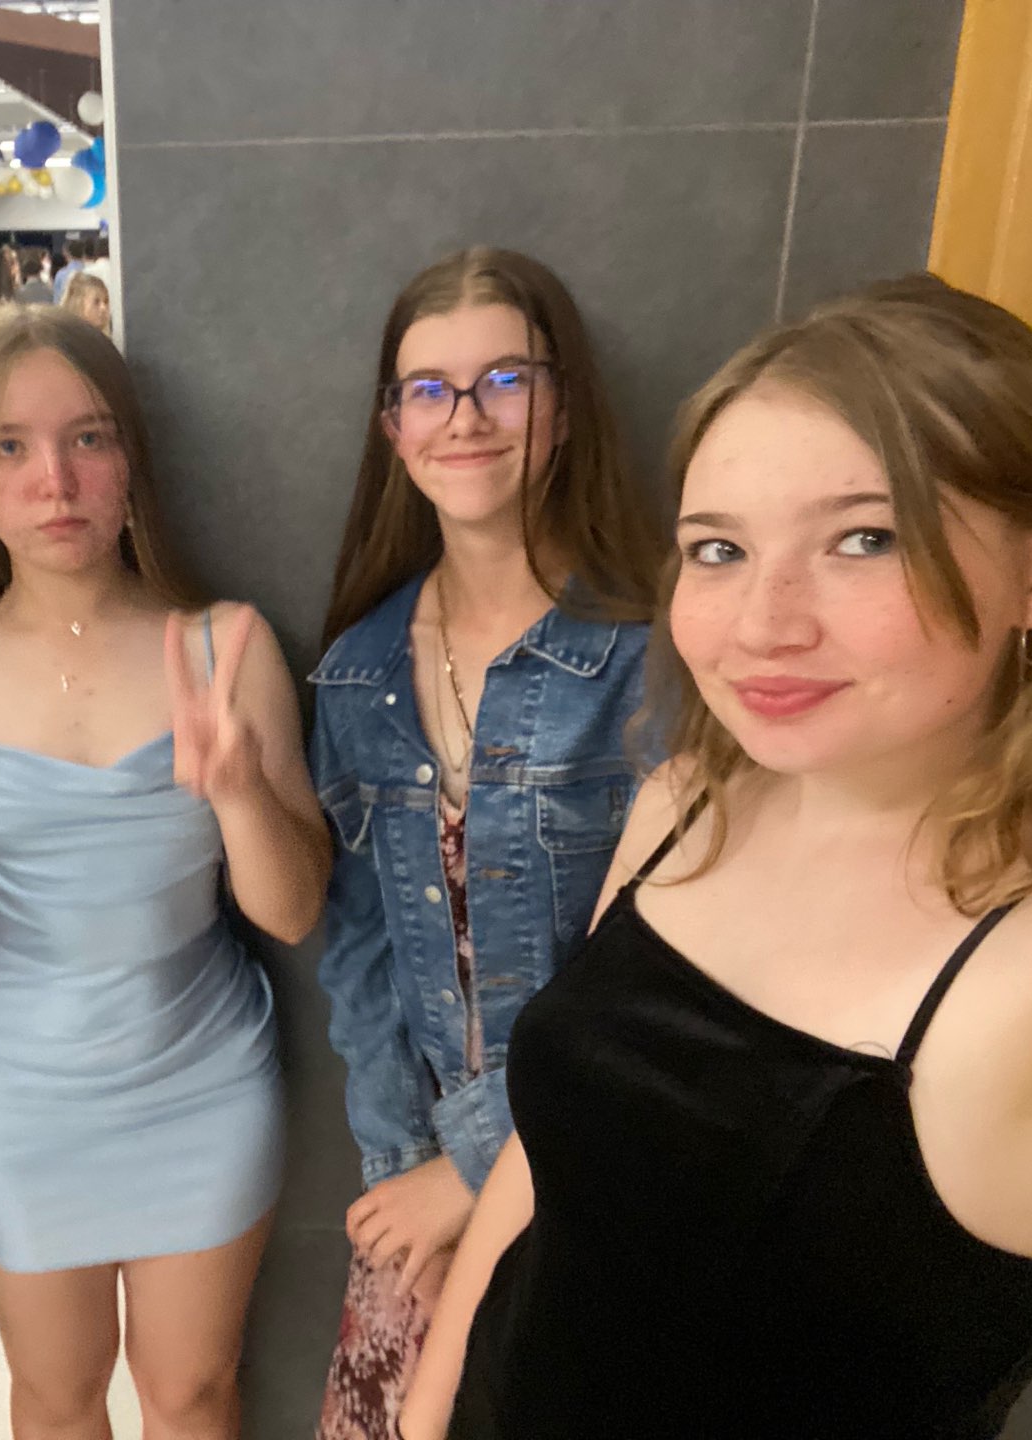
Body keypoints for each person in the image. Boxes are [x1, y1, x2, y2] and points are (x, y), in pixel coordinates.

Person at [401, 275, 1032, 1439]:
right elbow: (551, 1167)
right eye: (718, 549)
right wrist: (423, 1415)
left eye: (864, 538)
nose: (763, 622)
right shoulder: (686, 805)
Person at [0, 304, 331, 1440]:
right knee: (57, 1396)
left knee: (193, 1392)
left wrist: (238, 791)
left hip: (203, 1075)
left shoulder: (227, 645)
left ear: (131, 457)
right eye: (11, 447)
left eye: (88, 438)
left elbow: (293, 911)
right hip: (18, 1098)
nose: (56, 481)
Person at [307, 248, 664, 1440]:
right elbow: (361, 955)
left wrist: (474, 1169)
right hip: (415, 1191)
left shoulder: (651, 660)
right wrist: (403, 1174)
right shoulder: (357, 669)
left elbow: (659, 976)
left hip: (597, 1176)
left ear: (562, 406)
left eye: (505, 378)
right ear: (393, 428)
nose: (465, 416)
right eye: (429, 389)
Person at [52, 235, 87, 304]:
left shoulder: (61, 274)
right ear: (83, 252)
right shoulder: (89, 272)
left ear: (65, 253)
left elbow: (57, 300)